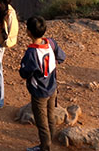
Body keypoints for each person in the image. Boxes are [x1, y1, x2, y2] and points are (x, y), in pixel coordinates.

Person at [18, 15, 67, 151]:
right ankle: (49, 141)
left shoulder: (32, 52)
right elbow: (62, 57)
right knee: (50, 116)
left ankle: (45, 148)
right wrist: (52, 64)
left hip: (39, 91)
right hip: (52, 87)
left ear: (28, 32)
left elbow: (24, 73)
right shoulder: (50, 43)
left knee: (41, 122)